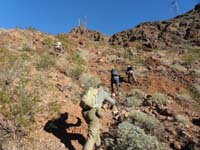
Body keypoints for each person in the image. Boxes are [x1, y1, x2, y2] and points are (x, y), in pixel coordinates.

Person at [81, 84, 116, 150]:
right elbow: (113, 102)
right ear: (103, 88)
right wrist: (113, 96)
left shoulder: (91, 91)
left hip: (84, 112)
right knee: (91, 136)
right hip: (93, 114)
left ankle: (98, 146)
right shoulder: (103, 93)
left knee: (95, 129)